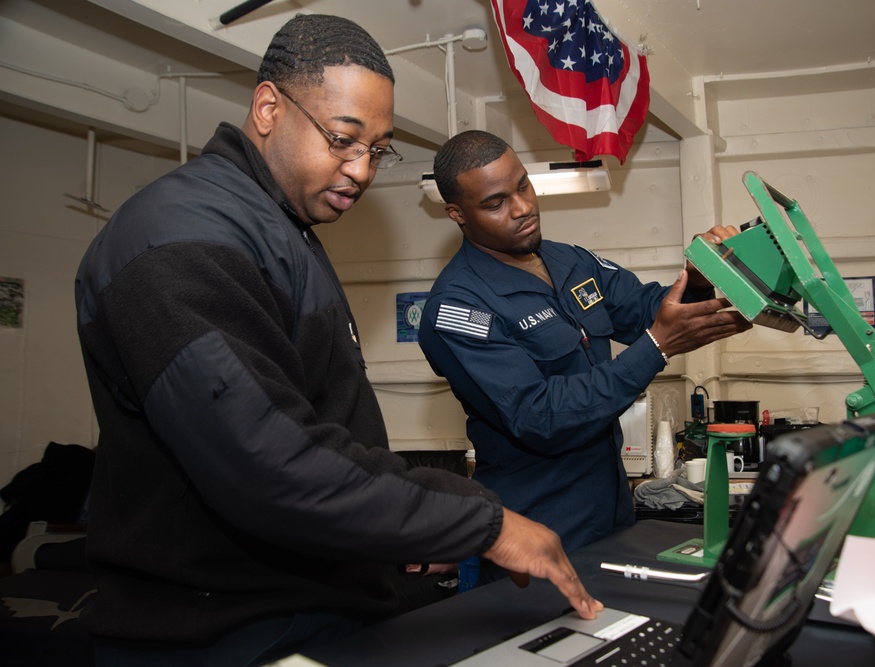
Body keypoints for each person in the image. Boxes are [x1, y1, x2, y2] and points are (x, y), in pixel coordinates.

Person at [75, 16, 599, 666]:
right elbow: (267, 460)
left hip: (307, 609)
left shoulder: (278, 229)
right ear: (268, 107)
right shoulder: (179, 240)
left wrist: (418, 515)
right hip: (222, 635)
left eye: (377, 149)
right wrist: (481, 523)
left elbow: (320, 426)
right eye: (342, 140)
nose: (359, 169)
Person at [418, 130, 751, 563]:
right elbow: (539, 415)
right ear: (457, 214)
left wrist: (702, 277)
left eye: (523, 185)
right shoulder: (459, 306)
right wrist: (657, 347)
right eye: (495, 203)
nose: (522, 208)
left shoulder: (571, 261)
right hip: (539, 526)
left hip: (610, 511)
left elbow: (649, 311)